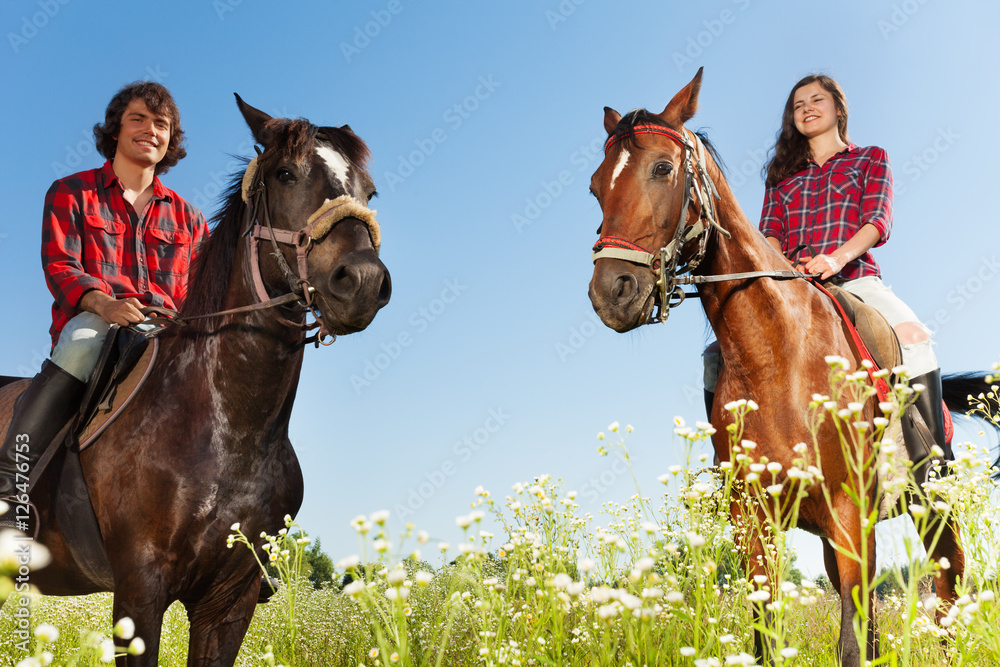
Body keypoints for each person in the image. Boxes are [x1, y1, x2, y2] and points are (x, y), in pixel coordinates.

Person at [704, 74, 950, 466]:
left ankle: (932, 467)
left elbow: (877, 222)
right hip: (794, 287)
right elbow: (770, 236)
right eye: (798, 105)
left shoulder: (870, 158)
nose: (807, 109)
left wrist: (835, 259)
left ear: (839, 109)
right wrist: (778, 269)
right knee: (717, 354)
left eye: (817, 100)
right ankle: (728, 470)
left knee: (915, 340)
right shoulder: (780, 176)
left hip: (855, 281)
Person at [0, 81, 208, 517]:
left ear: (170, 139)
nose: (151, 129)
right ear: (115, 129)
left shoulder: (190, 218)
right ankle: (8, 483)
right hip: (98, 322)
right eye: (138, 119)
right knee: (82, 342)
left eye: (162, 124)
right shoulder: (71, 191)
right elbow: (60, 266)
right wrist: (105, 304)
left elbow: (199, 291)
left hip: (165, 329)